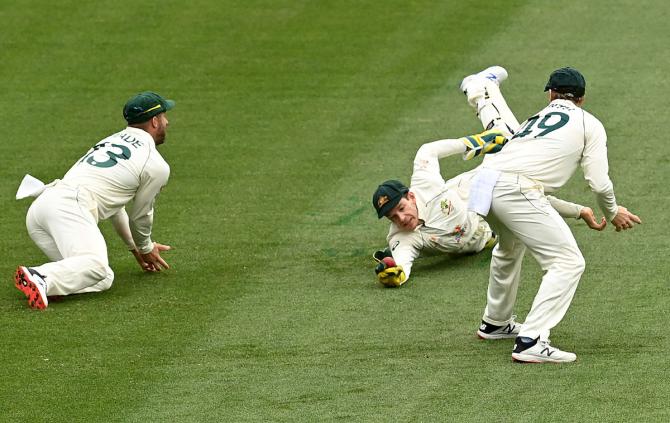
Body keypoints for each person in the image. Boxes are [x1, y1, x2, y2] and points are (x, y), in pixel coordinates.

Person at [371, 67, 605, 302]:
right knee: (509, 140)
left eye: (400, 208)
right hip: (489, 221)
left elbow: (427, 151)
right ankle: (481, 86)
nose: (400, 219)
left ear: (410, 197)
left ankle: (480, 88)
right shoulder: (402, 237)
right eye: (392, 217)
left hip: (480, 182)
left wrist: (475, 142)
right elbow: (402, 266)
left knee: (506, 137)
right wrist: (394, 275)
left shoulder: (424, 186)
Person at [460, 66, 641, 363]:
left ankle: (495, 322)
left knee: (509, 246)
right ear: (581, 99)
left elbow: (522, 185)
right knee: (568, 262)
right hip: (514, 189)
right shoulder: (589, 124)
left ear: (550, 94)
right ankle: (531, 340)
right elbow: (598, 182)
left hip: (483, 184)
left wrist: (578, 210)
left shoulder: (534, 120)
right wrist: (612, 211)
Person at [14, 91, 175, 310]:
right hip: (69, 208)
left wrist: (134, 247)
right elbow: (141, 217)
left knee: (102, 278)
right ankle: (40, 275)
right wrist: (145, 246)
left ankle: (48, 284)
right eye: (164, 116)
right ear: (154, 121)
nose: (167, 121)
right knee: (96, 265)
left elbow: (115, 206)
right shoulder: (155, 164)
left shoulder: (111, 140)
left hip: (41, 209)